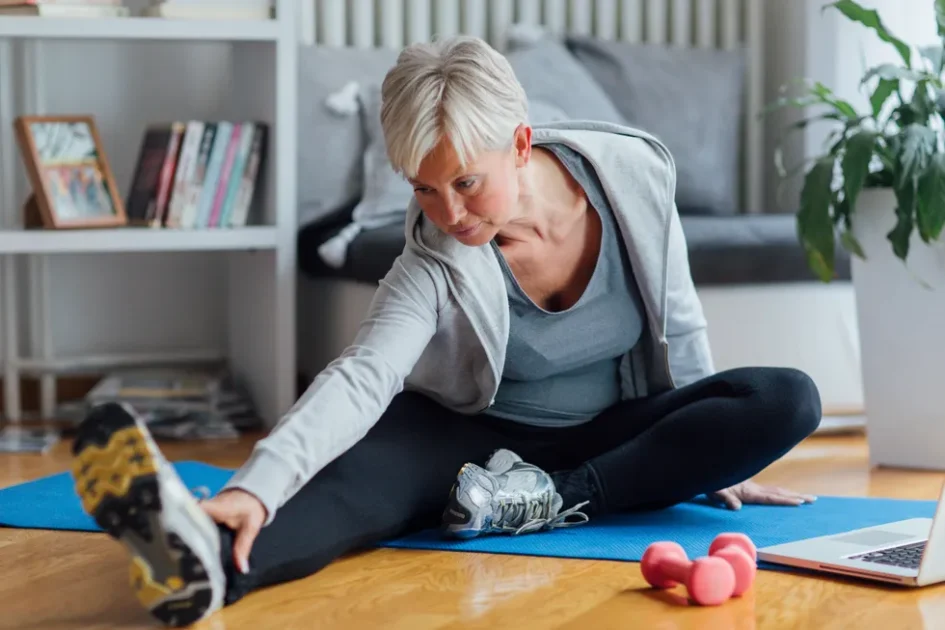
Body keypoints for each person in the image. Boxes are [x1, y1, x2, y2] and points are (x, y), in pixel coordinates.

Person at [71, 35, 821, 628]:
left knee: (785, 399)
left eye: (465, 181)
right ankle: (203, 560)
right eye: (424, 187)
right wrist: (254, 489)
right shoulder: (433, 253)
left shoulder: (632, 173)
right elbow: (362, 373)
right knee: (350, 487)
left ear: (521, 144)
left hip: (609, 430)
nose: (449, 212)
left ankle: (550, 499)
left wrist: (708, 457)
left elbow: (678, 316)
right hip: (467, 434)